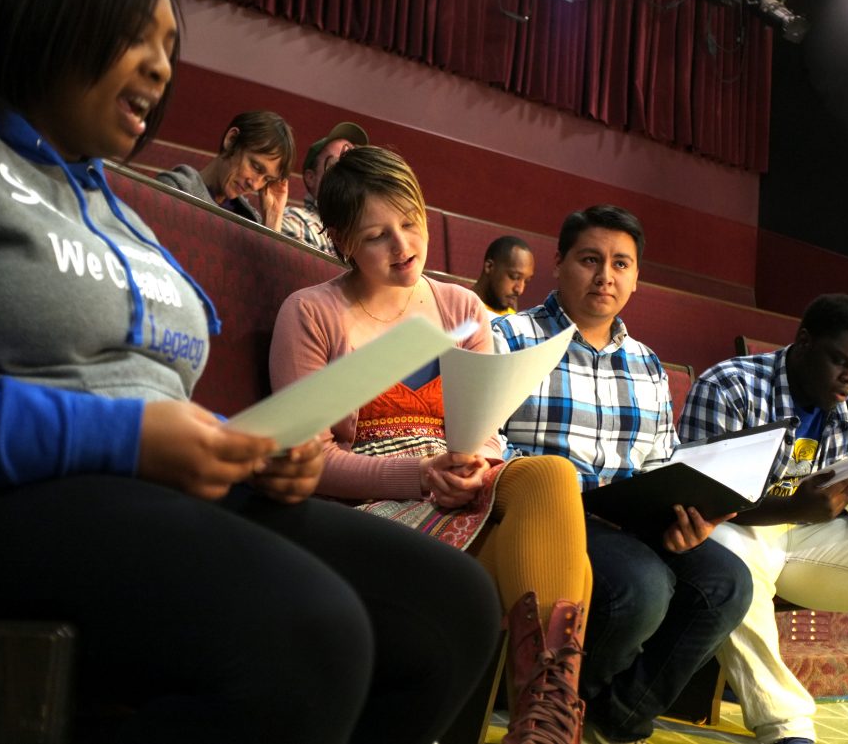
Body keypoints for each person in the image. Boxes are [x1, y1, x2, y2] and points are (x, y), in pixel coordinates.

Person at [0, 0, 503, 743]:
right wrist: (131, 437)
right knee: (310, 633)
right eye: (135, 39)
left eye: (169, 51)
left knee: (452, 608)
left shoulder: (115, 208)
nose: (159, 69)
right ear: (42, 15)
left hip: (138, 489)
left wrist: (243, 449)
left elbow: (141, 389)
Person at [270, 145, 593, 744]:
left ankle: (542, 727)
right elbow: (306, 461)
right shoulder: (312, 313)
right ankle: (549, 725)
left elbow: (487, 424)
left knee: (551, 476)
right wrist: (418, 475)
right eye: (377, 236)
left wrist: (481, 463)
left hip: (461, 492)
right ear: (341, 242)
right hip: (373, 513)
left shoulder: (461, 306)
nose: (404, 246)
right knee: (574, 567)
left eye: (411, 222)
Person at [492, 205, 753, 744]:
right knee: (642, 586)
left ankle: (613, 713)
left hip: (635, 513)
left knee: (727, 582)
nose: (605, 275)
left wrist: (689, 514)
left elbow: (662, 458)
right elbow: (485, 439)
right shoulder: (510, 338)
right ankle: (550, 701)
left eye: (620, 264)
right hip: (554, 512)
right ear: (559, 263)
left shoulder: (648, 363)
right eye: (590, 259)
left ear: (636, 279)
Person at [678, 293, 848, 744]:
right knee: (725, 556)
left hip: (818, 538)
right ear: (803, 341)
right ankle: (785, 726)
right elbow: (696, 501)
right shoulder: (730, 385)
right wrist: (792, 508)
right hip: (742, 528)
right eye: (839, 361)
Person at [157, 109, 293, 230]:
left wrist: (273, 216)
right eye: (255, 167)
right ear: (231, 140)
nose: (255, 185)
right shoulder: (174, 189)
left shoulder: (252, 220)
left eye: (267, 179)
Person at [281, 121, 368, 255]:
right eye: (336, 164)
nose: (349, 173)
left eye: (353, 164)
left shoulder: (368, 232)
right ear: (311, 178)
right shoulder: (295, 221)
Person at [472, 235, 535, 316]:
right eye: (514, 277)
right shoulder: (461, 308)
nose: (520, 290)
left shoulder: (515, 320)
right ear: (489, 267)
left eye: (526, 281)